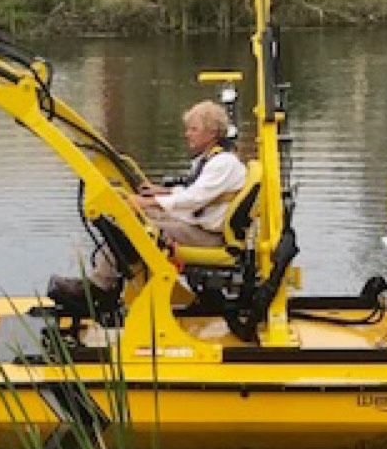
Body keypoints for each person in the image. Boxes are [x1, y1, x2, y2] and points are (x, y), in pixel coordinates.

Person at [49, 100, 246, 309]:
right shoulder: (214, 159)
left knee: (132, 226)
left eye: (194, 129)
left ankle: (100, 286)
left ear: (212, 132)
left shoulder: (222, 163)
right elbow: (199, 193)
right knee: (131, 217)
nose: (188, 134)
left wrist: (147, 201)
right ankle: (108, 281)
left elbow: (194, 199)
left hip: (208, 237)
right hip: (200, 226)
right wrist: (162, 192)